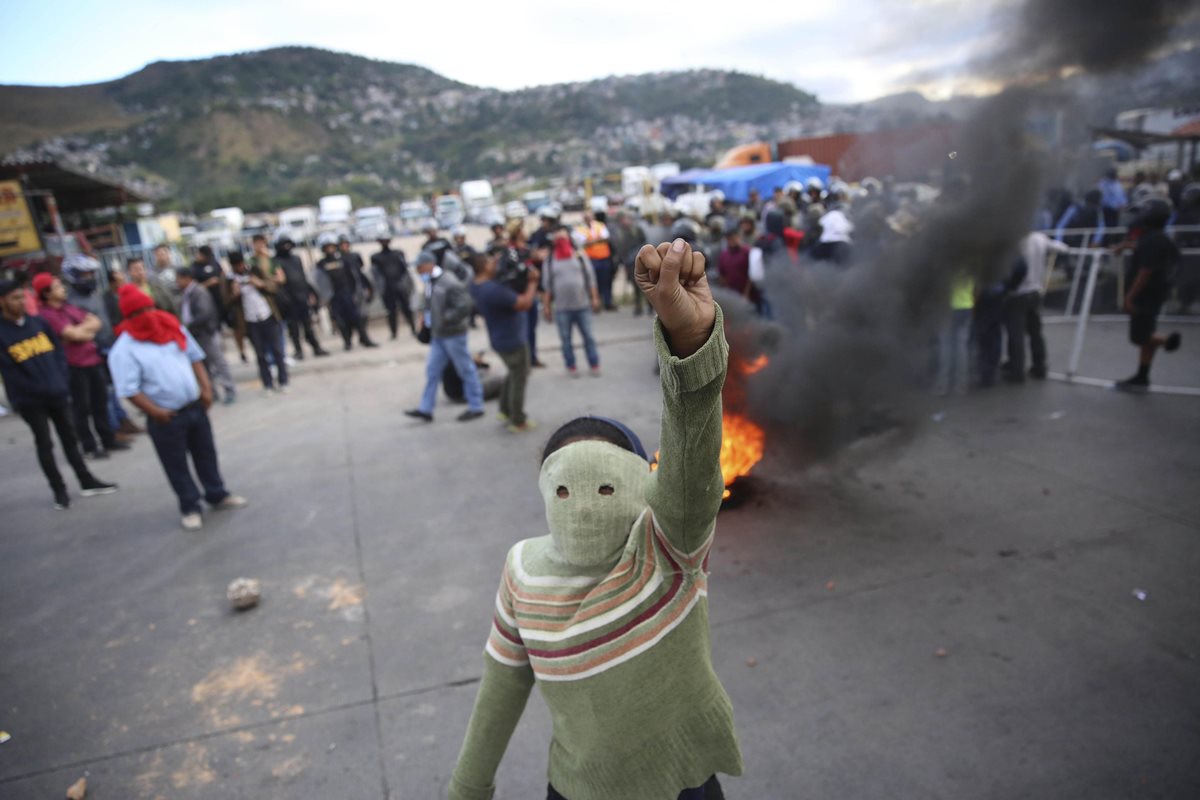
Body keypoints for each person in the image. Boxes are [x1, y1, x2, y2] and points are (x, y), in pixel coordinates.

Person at [449, 238, 742, 800]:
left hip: (681, 783)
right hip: (578, 786)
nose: (584, 504)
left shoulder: (666, 546)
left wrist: (691, 346)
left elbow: (691, 472)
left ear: (646, 485)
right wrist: (467, 785)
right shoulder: (523, 569)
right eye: (564, 488)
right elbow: (500, 688)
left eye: (607, 484)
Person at [107, 284, 247, 530]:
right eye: (141, 311)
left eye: (150, 307)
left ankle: (217, 494)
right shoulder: (125, 349)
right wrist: (155, 412)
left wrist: (205, 389)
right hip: (166, 417)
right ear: (129, 317)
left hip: (195, 407)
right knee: (176, 464)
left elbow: (194, 358)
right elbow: (129, 389)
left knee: (206, 454)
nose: (149, 315)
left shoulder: (171, 327)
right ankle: (189, 506)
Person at [0, 276, 118, 509]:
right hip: (30, 400)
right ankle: (59, 491)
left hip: (57, 392)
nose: (21, 302)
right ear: (2, 302)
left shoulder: (38, 324)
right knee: (44, 444)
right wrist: (33, 389)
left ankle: (86, 481)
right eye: (14, 298)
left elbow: (59, 354)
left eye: (22, 297)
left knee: (70, 439)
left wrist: (61, 380)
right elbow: (11, 370)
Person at [33, 273, 131, 459]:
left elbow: (96, 322)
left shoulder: (68, 308)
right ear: (46, 293)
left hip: (92, 360)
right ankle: (89, 446)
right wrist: (83, 332)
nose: (63, 289)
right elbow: (73, 335)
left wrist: (82, 332)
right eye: (57, 287)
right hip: (73, 365)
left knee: (99, 402)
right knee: (81, 407)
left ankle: (108, 438)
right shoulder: (47, 315)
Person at [404, 252, 485, 422]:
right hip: (438, 336)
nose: (419, 272)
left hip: (453, 335)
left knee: (465, 369)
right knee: (432, 371)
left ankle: (476, 405)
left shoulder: (448, 281)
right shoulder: (429, 282)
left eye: (420, 268)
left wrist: (445, 319)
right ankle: (425, 409)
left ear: (429, 264)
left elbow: (464, 306)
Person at [468, 252, 540, 432]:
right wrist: (532, 283)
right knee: (520, 377)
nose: (495, 264)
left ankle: (505, 410)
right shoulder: (493, 290)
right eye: (491, 262)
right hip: (512, 339)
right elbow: (524, 303)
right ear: (484, 266)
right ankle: (518, 420)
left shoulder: (476, 285)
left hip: (500, 338)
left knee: (513, 372)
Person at [1116, 198, 1183, 389]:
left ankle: (1167, 340)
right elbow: (1144, 250)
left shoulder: (1152, 241)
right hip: (1155, 294)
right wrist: (1126, 245)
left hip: (1145, 296)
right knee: (1147, 336)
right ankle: (1142, 375)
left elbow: (1145, 271)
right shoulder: (1158, 238)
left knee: (1140, 335)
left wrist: (1130, 297)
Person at [1007, 231, 1070, 381]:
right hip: (1035, 290)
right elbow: (1062, 247)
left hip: (1018, 292)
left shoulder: (1015, 240)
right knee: (1035, 332)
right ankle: (1039, 366)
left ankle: (1017, 370)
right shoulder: (1039, 238)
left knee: (1016, 334)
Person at [543, 226, 601, 376]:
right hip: (562, 308)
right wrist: (547, 307)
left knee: (588, 337)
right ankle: (571, 366)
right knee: (566, 340)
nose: (561, 241)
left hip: (583, 305)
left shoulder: (580, 255)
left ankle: (594, 364)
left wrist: (595, 298)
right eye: (558, 238)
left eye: (564, 237)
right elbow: (547, 286)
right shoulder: (549, 260)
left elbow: (591, 279)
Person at [229, 251, 288, 393]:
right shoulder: (231, 279)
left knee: (277, 351)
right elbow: (227, 302)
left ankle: (283, 381)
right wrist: (234, 293)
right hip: (250, 321)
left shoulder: (255, 271)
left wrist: (259, 283)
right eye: (237, 266)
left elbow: (273, 286)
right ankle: (267, 384)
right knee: (260, 354)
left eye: (241, 264)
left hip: (268, 315)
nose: (240, 268)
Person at [176, 266, 236, 404]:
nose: (177, 282)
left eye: (179, 279)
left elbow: (204, 314)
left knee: (218, 362)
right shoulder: (187, 293)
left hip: (205, 333)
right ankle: (212, 391)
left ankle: (229, 389)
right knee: (204, 366)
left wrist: (188, 326)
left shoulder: (198, 292)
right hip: (196, 335)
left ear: (186, 278)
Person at [315, 233, 379, 350]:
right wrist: (325, 298)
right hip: (334, 296)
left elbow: (353, 276)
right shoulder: (321, 264)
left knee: (357, 317)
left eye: (331, 246)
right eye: (327, 247)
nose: (330, 249)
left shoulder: (343, 260)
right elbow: (321, 282)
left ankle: (364, 338)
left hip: (347, 293)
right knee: (341, 321)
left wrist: (355, 292)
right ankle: (347, 342)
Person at [272, 236, 329, 358]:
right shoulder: (275, 261)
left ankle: (316, 347)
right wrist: (284, 299)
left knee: (308, 325)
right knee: (293, 328)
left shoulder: (296, 259)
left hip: (301, 297)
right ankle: (298, 350)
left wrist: (311, 292)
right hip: (288, 300)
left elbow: (302, 277)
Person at [934, 273, 975, 396]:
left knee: (945, 346)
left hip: (948, 307)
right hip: (966, 306)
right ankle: (961, 386)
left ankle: (943, 385)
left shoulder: (949, 260)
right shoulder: (972, 262)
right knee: (961, 346)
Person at [371, 235, 416, 339]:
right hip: (387, 288)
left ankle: (413, 329)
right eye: (382, 241)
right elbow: (376, 274)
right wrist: (380, 288)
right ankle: (394, 333)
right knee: (391, 311)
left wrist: (406, 284)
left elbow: (405, 270)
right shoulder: (376, 257)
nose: (384, 243)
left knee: (407, 308)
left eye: (386, 240)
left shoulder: (398, 253)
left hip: (400, 285)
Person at [575, 211, 616, 310]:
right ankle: (596, 302)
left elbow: (606, 238)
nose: (588, 219)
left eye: (589, 217)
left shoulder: (600, 225)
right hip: (591, 259)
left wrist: (590, 241)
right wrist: (597, 239)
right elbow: (582, 243)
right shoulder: (580, 229)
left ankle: (607, 302)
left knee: (606, 281)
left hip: (604, 258)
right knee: (593, 282)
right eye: (586, 217)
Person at [610, 211, 649, 315]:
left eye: (626, 219)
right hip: (629, 263)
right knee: (635, 284)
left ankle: (650, 306)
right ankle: (638, 307)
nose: (624, 221)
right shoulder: (619, 232)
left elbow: (644, 242)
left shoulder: (637, 230)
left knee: (645, 284)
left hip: (640, 261)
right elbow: (619, 247)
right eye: (622, 219)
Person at [338, 235, 375, 327]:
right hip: (348, 289)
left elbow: (360, 273)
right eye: (342, 245)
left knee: (364, 311)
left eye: (346, 244)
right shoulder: (339, 259)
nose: (344, 247)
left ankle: (363, 332)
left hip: (359, 286)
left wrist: (368, 286)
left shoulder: (355, 256)